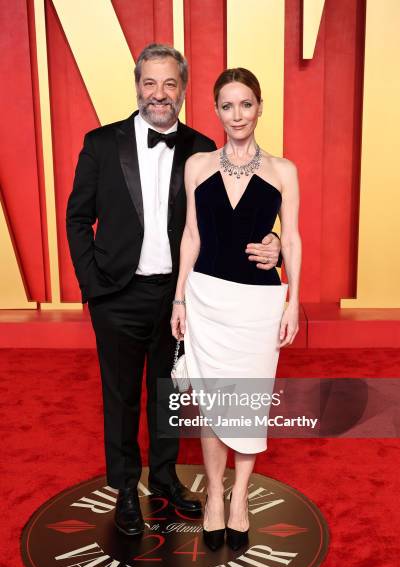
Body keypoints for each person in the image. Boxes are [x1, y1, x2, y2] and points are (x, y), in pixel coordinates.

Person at [66, 44, 282, 537]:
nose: (159, 94)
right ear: (137, 85)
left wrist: (275, 244)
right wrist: (93, 285)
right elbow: (78, 218)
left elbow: (235, 221)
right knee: (120, 398)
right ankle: (125, 489)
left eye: (170, 84)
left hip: (180, 299)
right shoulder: (101, 144)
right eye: (150, 83)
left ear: (183, 91)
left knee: (169, 396)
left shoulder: (204, 147)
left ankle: (164, 481)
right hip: (116, 296)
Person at [171, 67, 301, 551]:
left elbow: (290, 238)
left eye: (246, 104)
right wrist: (180, 297)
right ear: (217, 111)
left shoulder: (283, 170)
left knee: (246, 404)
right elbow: (191, 236)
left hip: (258, 304)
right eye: (227, 105)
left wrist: (293, 299)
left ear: (260, 107)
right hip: (206, 298)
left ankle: (241, 497)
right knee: (210, 403)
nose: (237, 114)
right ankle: (214, 501)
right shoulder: (198, 166)